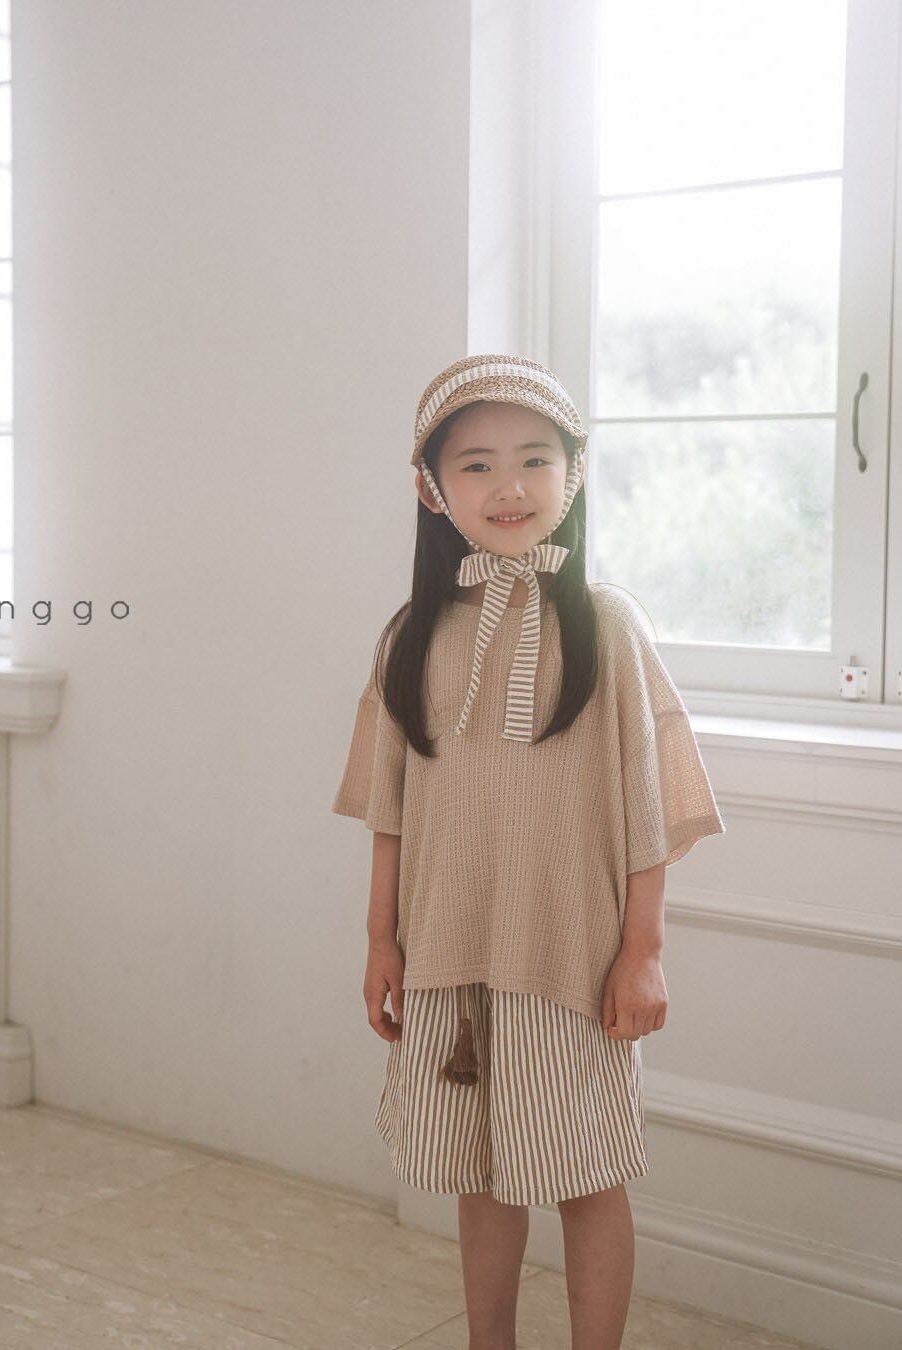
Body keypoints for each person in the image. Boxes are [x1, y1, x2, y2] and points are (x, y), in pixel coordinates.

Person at [330, 354, 726, 1350]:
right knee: (480, 1174)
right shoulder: (410, 636)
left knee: (588, 1175)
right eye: (476, 465)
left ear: (574, 474)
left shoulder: (608, 626)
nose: (509, 486)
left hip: (569, 961)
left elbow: (646, 807)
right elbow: (390, 811)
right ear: (431, 488)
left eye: (535, 460)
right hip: (449, 952)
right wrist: (380, 942)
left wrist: (643, 951)